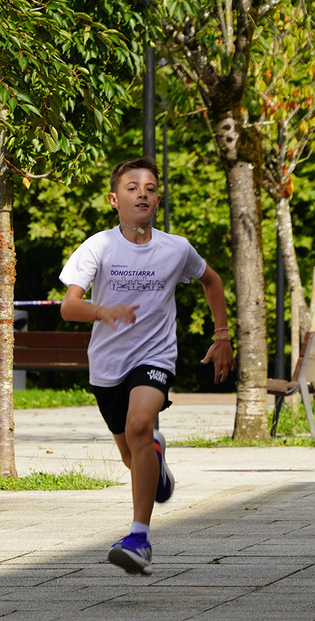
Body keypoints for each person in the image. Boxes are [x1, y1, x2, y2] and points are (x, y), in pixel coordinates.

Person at [60, 157, 236, 575]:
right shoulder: (98, 246)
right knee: (131, 455)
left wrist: (223, 336)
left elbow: (211, 280)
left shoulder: (176, 248)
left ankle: (139, 539)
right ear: (114, 199)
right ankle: (155, 465)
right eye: (132, 187)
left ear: (158, 200)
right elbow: (69, 306)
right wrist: (101, 311)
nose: (142, 193)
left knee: (140, 426)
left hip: (155, 357)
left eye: (150, 188)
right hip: (107, 367)